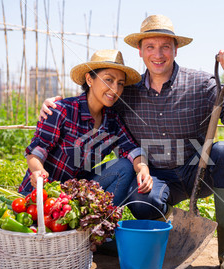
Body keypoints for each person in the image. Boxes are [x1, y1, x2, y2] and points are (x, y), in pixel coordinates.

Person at [40, 15, 224, 269]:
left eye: (165, 46)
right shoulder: (125, 92)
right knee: (144, 200)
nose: (158, 54)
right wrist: (54, 105)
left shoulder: (201, 84)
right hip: (154, 178)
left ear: (176, 49)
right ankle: (163, 237)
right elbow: (93, 98)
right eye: (150, 47)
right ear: (140, 51)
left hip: (195, 172)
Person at [19, 49, 152, 206]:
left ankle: (102, 221)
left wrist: (143, 168)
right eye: (108, 80)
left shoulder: (112, 120)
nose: (115, 89)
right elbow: (37, 151)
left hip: (74, 194)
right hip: (42, 193)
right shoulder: (61, 110)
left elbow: (132, 150)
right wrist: (37, 171)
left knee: (125, 166)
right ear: (90, 79)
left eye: (120, 83)